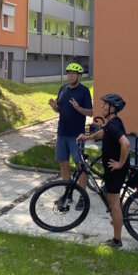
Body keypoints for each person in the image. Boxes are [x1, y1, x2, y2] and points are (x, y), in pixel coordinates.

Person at [77, 93, 130, 249]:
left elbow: (125, 144)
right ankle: (116, 216)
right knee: (110, 197)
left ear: (112, 108)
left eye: (105, 105)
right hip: (112, 169)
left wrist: (120, 163)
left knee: (114, 203)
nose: (102, 107)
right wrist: (87, 138)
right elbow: (102, 132)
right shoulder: (112, 122)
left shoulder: (113, 125)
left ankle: (117, 240)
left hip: (115, 170)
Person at [48, 63, 93, 210]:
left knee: (79, 165)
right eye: (69, 73)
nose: (71, 76)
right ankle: (67, 193)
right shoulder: (63, 89)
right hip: (62, 133)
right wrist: (54, 107)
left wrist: (79, 108)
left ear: (79, 76)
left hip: (76, 135)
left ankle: (82, 196)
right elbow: (60, 110)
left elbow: (91, 112)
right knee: (63, 163)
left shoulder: (84, 91)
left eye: (74, 74)